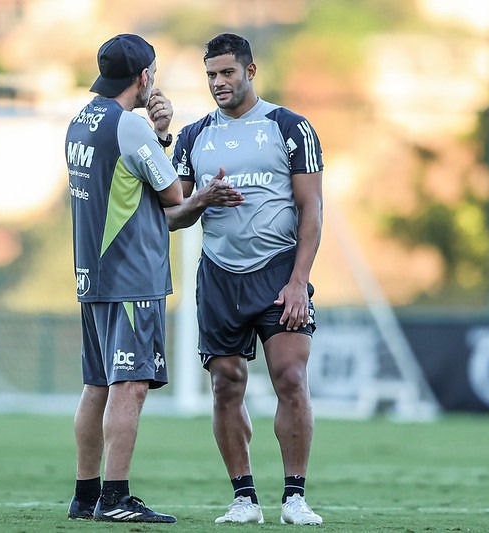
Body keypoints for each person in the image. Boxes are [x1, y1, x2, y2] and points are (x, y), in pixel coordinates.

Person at [166, 33, 324, 526]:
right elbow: (172, 216)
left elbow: (311, 209)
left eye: (227, 73)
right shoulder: (194, 136)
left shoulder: (289, 127)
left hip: (279, 271)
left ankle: (295, 497)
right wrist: (200, 201)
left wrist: (299, 282)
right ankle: (244, 499)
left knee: (291, 378)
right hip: (219, 275)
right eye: (211, 75)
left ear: (250, 72)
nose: (218, 82)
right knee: (225, 386)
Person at [64, 33, 182, 523]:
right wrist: (163, 135)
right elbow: (173, 195)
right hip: (131, 277)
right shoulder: (129, 127)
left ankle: (85, 494)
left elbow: (124, 179)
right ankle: (114, 498)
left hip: (92, 276)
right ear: (144, 77)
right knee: (129, 385)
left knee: (97, 384)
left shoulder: (79, 120)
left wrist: (155, 133)